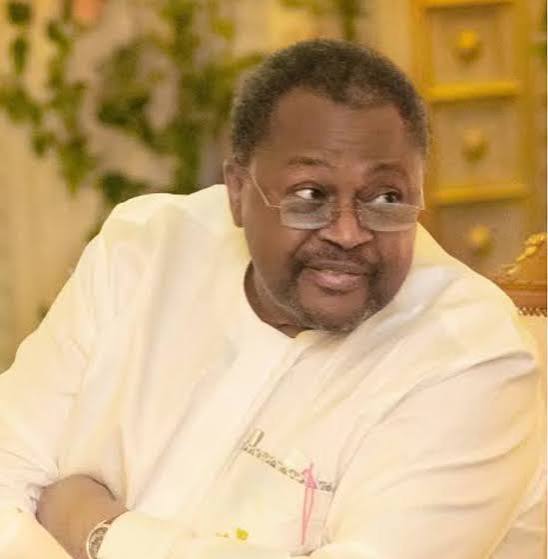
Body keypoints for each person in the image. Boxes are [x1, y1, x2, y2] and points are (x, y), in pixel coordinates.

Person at [0, 39, 544, 559]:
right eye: (310, 195)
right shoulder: (146, 249)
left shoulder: (471, 354)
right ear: (239, 191)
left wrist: (99, 533)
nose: (348, 233)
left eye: (386, 198)